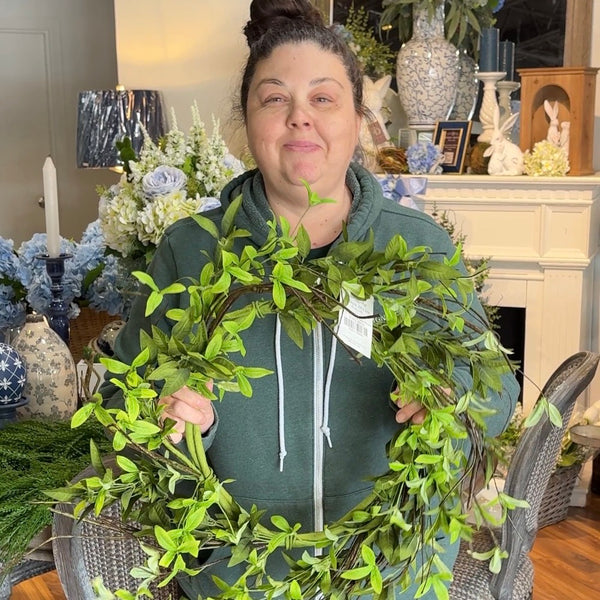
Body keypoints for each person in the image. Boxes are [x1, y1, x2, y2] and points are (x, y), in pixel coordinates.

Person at [102, 1, 519, 597]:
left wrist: (451, 396)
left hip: (390, 573)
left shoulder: (417, 246)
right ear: (247, 122)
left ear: (358, 119)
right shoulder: (191, 250)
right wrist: (168, 418)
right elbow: (123, 401)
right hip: (236, 578)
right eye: (275, 99)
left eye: (323, 98)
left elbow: (495, 389)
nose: (300, 117)